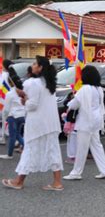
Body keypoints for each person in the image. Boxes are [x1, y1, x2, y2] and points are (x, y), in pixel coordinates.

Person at [2, 56, 63, 191]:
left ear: (40, 67)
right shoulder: (49, 83)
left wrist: (24, 99)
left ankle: (18, 181)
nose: (33, 65)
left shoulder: (33, 83)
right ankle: (57, 182)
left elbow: (32, 105)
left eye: (35, 63)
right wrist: (25, 98)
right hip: (51, 123)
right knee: (53, 151)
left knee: (29, 150)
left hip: (37, 124)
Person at [63, 65, 105, 180]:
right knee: (97, 146)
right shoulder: (98, 89)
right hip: (97, 120)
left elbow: (74, 104)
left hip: (86, 121)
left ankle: (76, 172)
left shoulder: (84, 89)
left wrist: (71, 101)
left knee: (82, 148)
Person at [0, 71, 25, 160]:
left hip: (13, 116)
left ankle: (9, 154)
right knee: (17, 134)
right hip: (22, 115)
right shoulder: (23, 91)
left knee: (12, 136)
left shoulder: (10, 94)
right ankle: (26, 147)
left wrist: (5, 118)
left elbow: (6, 109)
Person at [0, 59, 13, 145]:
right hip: (11, 99)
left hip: (4, 98)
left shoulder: (4, 75)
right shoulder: (12, 75)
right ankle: (13, 138)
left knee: (4, 118)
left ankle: (3, 137)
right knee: (11, 119)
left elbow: (1, 85)